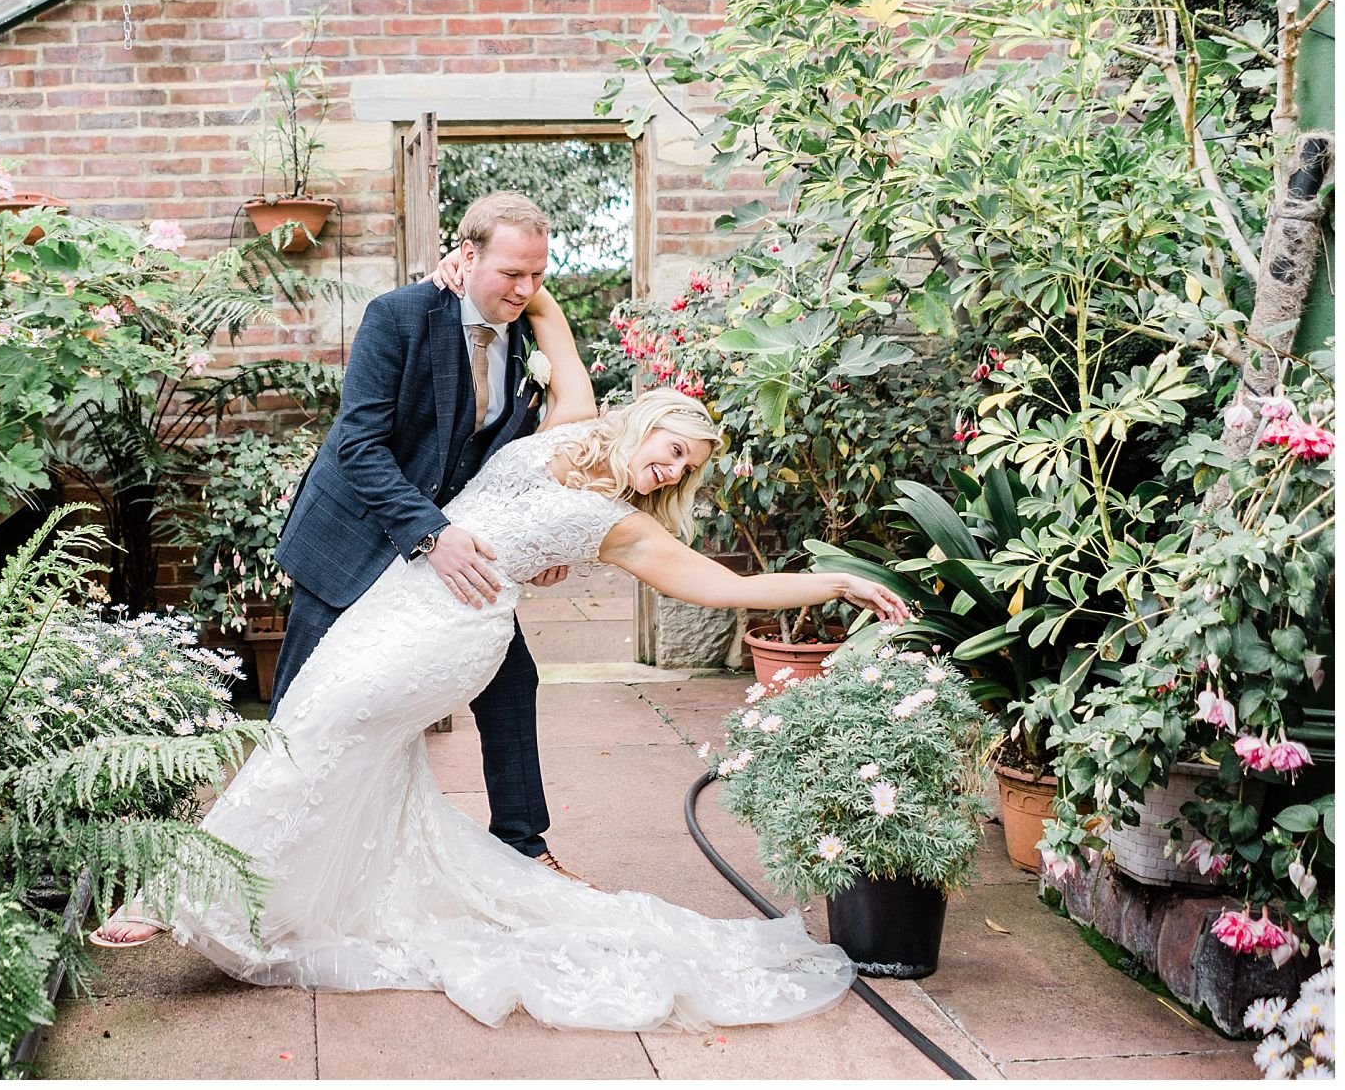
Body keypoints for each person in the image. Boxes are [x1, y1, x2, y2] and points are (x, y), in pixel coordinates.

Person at [90, 262, 913, 1034]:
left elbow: (724, 588)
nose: (670, 472)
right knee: (322, 734)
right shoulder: (573, 425)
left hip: (453, 627)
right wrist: (486, 278)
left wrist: (834, 584)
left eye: (686, 471)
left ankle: (179, 895)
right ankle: (299, 897)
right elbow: (547, 319)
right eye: (672, 451)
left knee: (318, 733)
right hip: (398, 594)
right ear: (650, 421)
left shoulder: (622, 527)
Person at [267, 191, 575, 876]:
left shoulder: (528, 338)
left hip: (448, 549)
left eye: (538, 275)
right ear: (466, 258)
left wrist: (549, 541)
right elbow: (358, 446)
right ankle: (258, 853)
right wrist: (433, 533)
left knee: (510, 675)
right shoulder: (399, 317)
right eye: (511, 274)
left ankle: (523, 847)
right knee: (302, 703)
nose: (526, 289)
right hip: (356, 538)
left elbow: (523, 457)